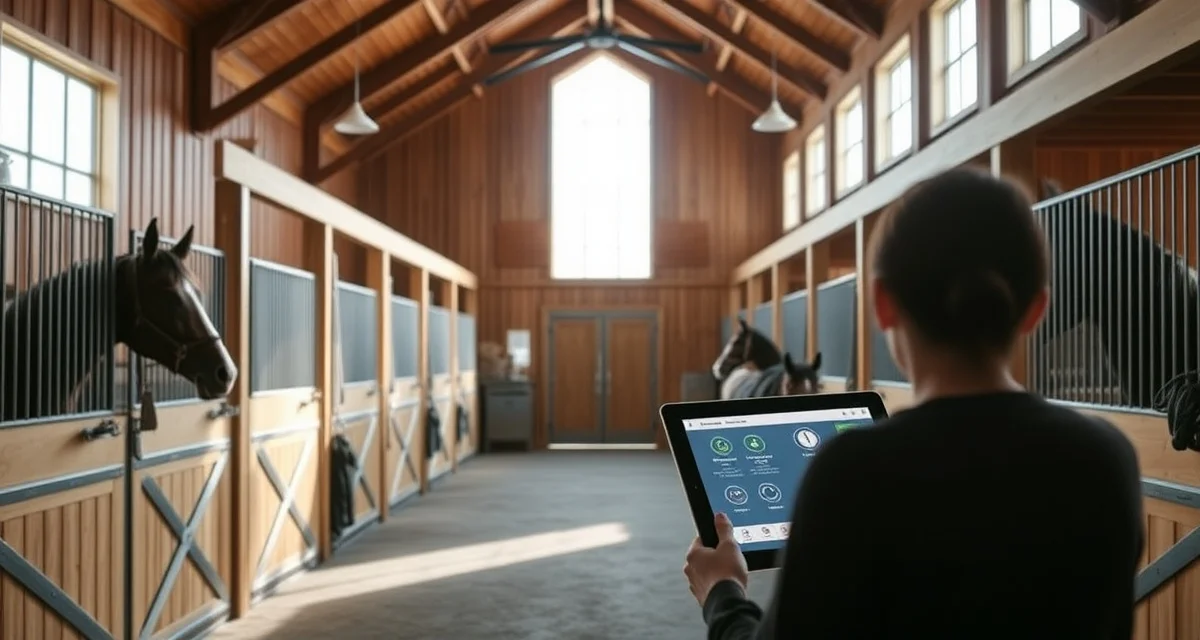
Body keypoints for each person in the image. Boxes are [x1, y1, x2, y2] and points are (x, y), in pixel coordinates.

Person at [683, 167, 1145, 638]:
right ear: (1036, 310)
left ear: (883, 304)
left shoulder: (855, 472)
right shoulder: (1107, 457)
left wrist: (722, 591)